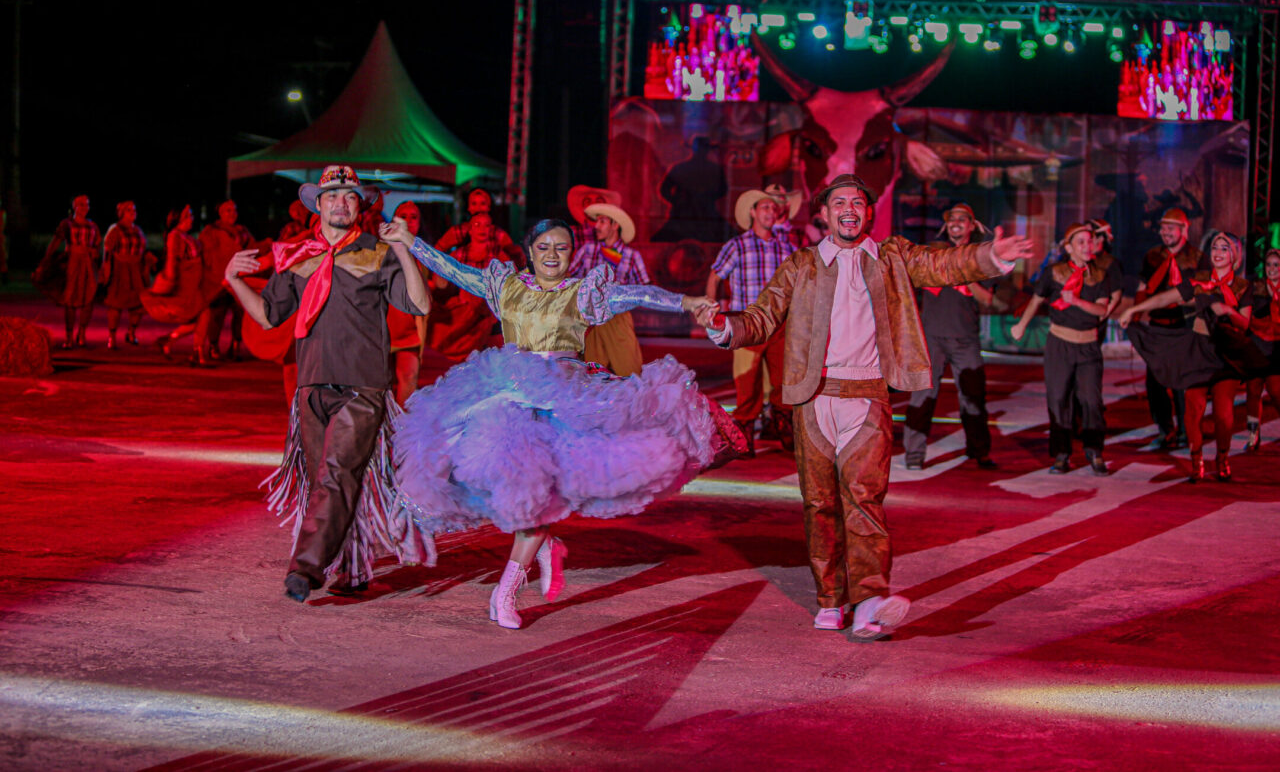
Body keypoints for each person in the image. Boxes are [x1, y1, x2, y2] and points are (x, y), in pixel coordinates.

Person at [698, 175, 1031, 640]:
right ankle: (831, 599)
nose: (849, 209)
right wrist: (723, 327)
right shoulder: (802, 264)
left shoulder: (892, 257)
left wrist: (991, 256)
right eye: (839, 203)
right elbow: (762, 316)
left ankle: (871, 601)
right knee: (819, 505)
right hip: (813, 399)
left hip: (868, 396)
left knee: (864, 500)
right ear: (824, 214)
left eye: (857, 202)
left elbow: (943, 264)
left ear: (868, 212)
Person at [394, 218, 741, 630]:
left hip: (564, 401)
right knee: (497, 488)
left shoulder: (583, 294)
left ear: (572, 254)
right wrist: (409, 240)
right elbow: (452, 269)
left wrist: (688, 302)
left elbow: (639, 293)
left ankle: (505, 592)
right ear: (530, 251)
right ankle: (547, 547)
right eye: (544, 247)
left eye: (561, 247)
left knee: (540, 500)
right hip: (506, 400)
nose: (552, 255)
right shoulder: (505, 287)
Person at [223, 165, 433, 603]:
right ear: (317, 205)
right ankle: (353, 569)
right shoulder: (297, 256)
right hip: (311, 386)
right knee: (329, 482)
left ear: (360, 206)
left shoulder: (378, 252)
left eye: (350, 196)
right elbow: (267, 316)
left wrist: (405, 252)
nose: (341, 203)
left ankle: (305, 568)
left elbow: (419, 303)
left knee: (337, 475)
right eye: (332, 195)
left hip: (363, 388)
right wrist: (233, 280)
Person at [1122, 232, 1258, 481]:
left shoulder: (1243, 287)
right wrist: (1135, 309)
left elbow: (1245, 323)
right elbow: (1167, 297)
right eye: (1215, 247)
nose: (1218, 252)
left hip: (1225, 354)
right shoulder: (1200, 282)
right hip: (1198, 351)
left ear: (1235, 255)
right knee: (1193, 410)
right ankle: (1197, 461)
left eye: (1224, 248)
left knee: (1223, 414)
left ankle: (1222, 458)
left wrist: (1227, 311)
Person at [1011, 223, 1116, 476]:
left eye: (1090, 241)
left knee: (1091, 401)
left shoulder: (1100, 274)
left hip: (1088, 346)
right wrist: (1022, 325)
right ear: (1069, 248)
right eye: (1081, 242)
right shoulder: (1054, 272)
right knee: (1058, 399)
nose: (1087, 246)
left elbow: (1102, 309)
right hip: (1060, 344)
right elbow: (1036, 300)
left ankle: (1094, 450)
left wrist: (1077, 301)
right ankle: (1061, 454)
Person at [904, 203, 999, 470]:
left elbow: (987, 299)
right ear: (946, 226)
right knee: (922, 395)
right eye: (952, 219)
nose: (956, 222)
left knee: (973, 395)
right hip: (931, 337)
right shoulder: (933, 253)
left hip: (965, 339)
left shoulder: (979, 257)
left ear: (971, 226)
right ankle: (914, 454)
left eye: (962, 219)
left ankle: (979, 451)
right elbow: (912, 284)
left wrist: (965, 275)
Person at [706, 187, 799, 455]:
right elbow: (715, 276)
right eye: (764, 207)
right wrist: (710, 309)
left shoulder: (786, 247)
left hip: (780, 322)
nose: (770, 212)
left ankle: (783, 425)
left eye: (773, 208)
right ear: (752, 212)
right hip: (747, 321)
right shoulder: (737, 245)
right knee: (747, 381)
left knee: (784, 379)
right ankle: (744, 433)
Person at [1136, 208, 1202, 449]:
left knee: (1181, 384)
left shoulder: (1197, 258)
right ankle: (1166, 430)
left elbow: (1204, 292)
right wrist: (1135, 313)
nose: (1165, 232)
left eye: (1170, 228)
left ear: (1184, 230)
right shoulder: (1152, 256)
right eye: (1163, 228)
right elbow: (1143, 286)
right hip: (1158, 327)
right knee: (1155, 383)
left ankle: (1186, 431)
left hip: (1184, 327)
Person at [568, 191, 650, 376]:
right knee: (590, 373)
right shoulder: (588, 250)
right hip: (591, 319)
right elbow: (570, 279)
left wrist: (622, 296)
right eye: (597, 222)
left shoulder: (631, 256)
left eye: (602, 222)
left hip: (617, 317)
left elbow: (644, 289)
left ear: (615, 225)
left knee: (630, 372)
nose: (596, 226)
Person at [425, 211, 509, 363]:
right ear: (470, 229)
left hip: (488, 309)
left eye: (486, 225)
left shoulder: (498, 255)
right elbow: (441, 277)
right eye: (477, 225)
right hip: (464, 307)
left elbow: (509, 280)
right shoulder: (460, 254)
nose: (482, 229)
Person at [142, 206, 212, 361]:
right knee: (203, 314)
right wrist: (169, 280)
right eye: (188, 215)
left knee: (202, 316)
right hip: (183, 287)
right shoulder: (175, 235)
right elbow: (171, 260)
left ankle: (173, 341)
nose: (192, 218)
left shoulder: (186, 236)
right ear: (179, 218)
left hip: (193, 285)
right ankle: (196, 350)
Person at [36, 195, 101, 348]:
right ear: (74, 206)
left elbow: (97, 244)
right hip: (73, 262)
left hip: (88, 264)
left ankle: (82, 333)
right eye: (81, 205)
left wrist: (95, 253)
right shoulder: (67, 224)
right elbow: (56, 241)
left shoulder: (93, 226)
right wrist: (46, 260)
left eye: (87, 205)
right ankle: (69, 335)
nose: (85, 208)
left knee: (88, 298)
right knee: (70, 299)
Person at [384, 200, 431, 405]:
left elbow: (424, 308)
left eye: (414, 217)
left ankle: (401, 425)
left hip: (409, 334)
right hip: (382, 331)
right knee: (380, 387)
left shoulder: (423, 256)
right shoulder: (380, 251)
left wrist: (421, 345)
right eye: (403, 216)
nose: (408, 222)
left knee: (409, 381)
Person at [199, 199, 255, 360]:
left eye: (234, 210)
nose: (232, 214)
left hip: (240, 278)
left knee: (239, 313)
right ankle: (213, 346)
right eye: (228, 210)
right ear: (220, 213)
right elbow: (206, 254)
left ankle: (236, 345)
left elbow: (252, 248)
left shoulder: (242, 231)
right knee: (217, 313)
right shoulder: (211, 231)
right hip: (218, 279)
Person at [1244, 248, 1280, 451]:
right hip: (1257, 346)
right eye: (1268, 265)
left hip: (1277, 349)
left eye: (1276, 265)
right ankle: (1253, 434)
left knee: (1276, 391)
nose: (1272, 269)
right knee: (1253, 390)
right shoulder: (1255, 287)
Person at [101, 201, 150, 349]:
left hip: (136, 270)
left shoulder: (138, 230)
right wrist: (106, 273)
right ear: (121, 213)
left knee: (138, 305)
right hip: (120, 270)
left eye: (134, 210)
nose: (133, 213)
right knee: (116, 305)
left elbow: (143, 249)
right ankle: (112, 336)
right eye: (129, 210)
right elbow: (108, 253)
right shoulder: (115, 230)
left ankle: (131, 332)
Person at [438, 188, 525, 267]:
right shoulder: (457, 232)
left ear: (489, 207)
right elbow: (438, 250)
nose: (478, 208)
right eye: (474, 203)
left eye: (483, 203)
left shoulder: (499, 234)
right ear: (468, 207)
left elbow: (513, 257)